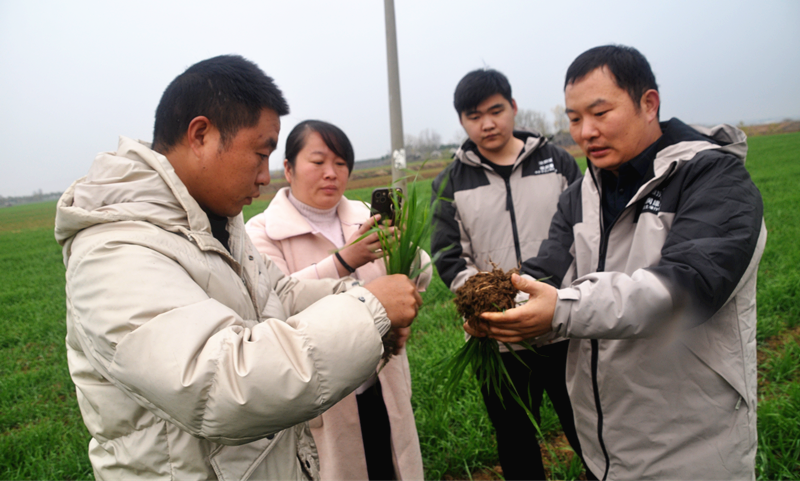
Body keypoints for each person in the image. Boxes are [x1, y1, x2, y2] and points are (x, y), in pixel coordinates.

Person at [54, 55, 422, 480]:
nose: (265, 177)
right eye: (260, 153)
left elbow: (278, 296)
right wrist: (369, 311)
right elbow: (221, 386)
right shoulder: (115, 250)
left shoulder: (217, 224)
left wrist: (360, 298)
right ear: (201, 135)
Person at [472, 45, 766, 480]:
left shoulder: (713, 180)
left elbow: (686, 288)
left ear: (649, 104)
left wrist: (561, 310)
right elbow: (550, 266)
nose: (585, 131)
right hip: (605, 450)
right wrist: (498, 301)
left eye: (600, 113)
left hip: (691, 449)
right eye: (573, 119)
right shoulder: (579, 195)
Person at [245, 120, 428, 481]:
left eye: (341, 163)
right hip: (326, 399)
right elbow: (274, 302)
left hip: (382, 382)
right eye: (318, 162)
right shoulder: (262, 233)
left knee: (391, 467)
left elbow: (420, 274)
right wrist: (345, 261)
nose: (331, 174)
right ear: (288, 168)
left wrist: (406, 261)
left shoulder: (365, 215)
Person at [430, 68, 584, 481]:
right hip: (498, 339)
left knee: (589, 428)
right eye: (473, 115)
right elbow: (448, 255)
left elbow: (584, 233)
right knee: (515, 439)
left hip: (565, 324)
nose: (487, 123)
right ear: (462, 121)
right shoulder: (451, 182)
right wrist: (486, 304)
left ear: (513, 108)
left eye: (496, 110)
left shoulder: (559, 162)